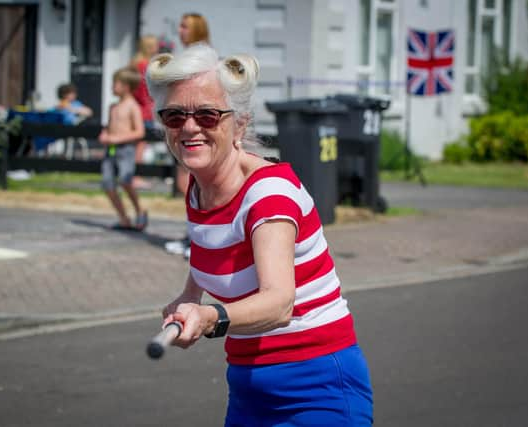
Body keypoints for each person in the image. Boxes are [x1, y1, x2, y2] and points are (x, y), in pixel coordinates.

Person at [146, 45, 373, 426]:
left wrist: (208, 317)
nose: (189, 127)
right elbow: (211, 246)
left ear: (240, 124)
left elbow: (278, 303)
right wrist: (188, 297)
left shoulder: (268, 194)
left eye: (207, 114)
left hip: (318, 387)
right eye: (174, 116)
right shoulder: (201, 187)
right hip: (249, 386)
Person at [164, 12, 211, 258]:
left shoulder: (199, 57)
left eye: (185, 26)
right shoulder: (188, 56)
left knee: (193, 185)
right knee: (189, 185)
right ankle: (192, 238)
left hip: (192, 125)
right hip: (181, 122)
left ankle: (198, 241)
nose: (180, 30)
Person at [98, 68, 148, 231]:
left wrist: (117, 138)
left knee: (125, 181)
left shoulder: (133, 107)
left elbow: (139, 132)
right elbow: (109, 126)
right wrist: (105, 134)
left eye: (115, 83)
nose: (112, 87)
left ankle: (140, 211)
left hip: (125, 150)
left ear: (126, 86)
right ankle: (123, 218)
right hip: (110, 150)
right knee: (107, 183)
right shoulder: (113, 106)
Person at [130, 35, 159, 190]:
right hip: (144, 111)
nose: (157, 47)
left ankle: (130, 175)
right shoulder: (145, 65)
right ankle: (136, 176)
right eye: (154, 45)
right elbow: (144, 91)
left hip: (133, 109)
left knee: (132, 146)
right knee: (140, 146)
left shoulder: (134, 63)